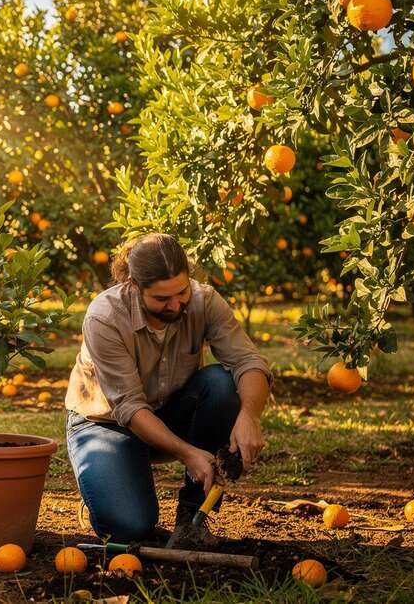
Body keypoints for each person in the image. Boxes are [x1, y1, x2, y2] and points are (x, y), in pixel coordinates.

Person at [64, 233, 272, 547]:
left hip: (168, 410)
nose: (175, 304)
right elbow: (131, 409)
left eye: (181, 292)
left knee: (221, 382)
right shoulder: (104, 317)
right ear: (134, 286)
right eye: (162, 299)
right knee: (131, 526)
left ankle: (192, 518)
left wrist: (250, 416)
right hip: (106, 425)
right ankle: (111, 485)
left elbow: (249, 362)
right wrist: (187, 453)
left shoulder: (205, 301)